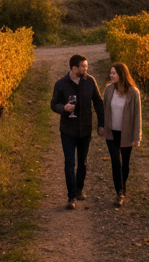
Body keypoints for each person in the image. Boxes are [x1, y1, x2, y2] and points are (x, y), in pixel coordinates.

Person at [50, 54, 104, 209]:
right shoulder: (61, 84)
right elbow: (53, 104)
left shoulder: (90, 82)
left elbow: (99, 103)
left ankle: (79, 189)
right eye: (83, 66)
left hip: (85, 129)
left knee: (83, 163)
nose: (86, 69)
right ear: (74, 68)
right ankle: (71, 196)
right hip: (67, 130)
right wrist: (64, 108)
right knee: (69, 162)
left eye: (86, 66)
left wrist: (101, 124)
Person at [103, 62, 141, 207]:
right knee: (115, 161)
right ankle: (120, 192)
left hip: (126, 133)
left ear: (121, 75)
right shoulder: (108, 89)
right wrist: (101, 126)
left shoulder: (133, 92)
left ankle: (122, 187)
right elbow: (104, 108)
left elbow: (137, 116)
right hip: (112, 132)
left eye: (114, 73)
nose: (111, 75)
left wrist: (137, 137)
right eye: (110, 73)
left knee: (125, 163)